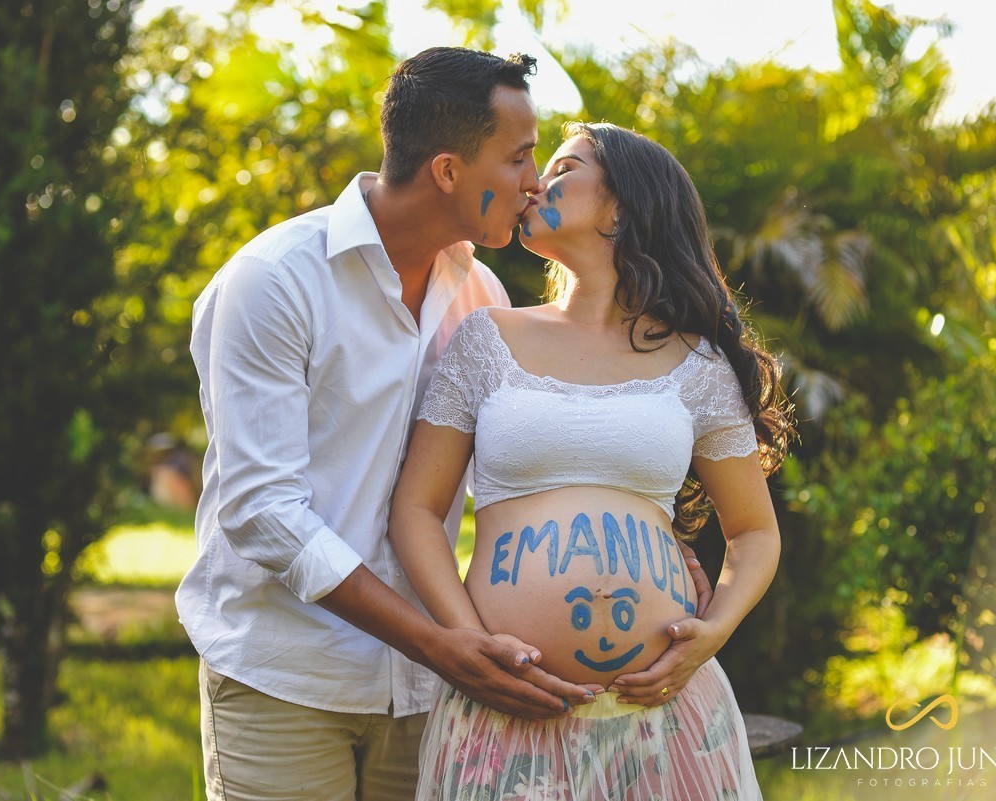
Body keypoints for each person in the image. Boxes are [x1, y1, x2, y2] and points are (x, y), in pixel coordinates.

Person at [176, 50, 712, 801]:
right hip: (290, 674)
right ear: (448, 170)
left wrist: (642, 542)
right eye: (522, 157)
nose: (535, 184)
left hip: (431, 691)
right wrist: (440, 643)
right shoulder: (275, 281)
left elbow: (542, 452)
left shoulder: (480, 297)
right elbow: (263, 513)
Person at [389, 122, 795, 800]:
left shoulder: (696, 364)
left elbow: (754, 531)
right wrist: (469, 646)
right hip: (507, 710)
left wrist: (712, 632)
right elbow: (417, 510)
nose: (534, 184)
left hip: (664, 718)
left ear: (620, 206)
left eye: (563, 166)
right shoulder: (487, 338)